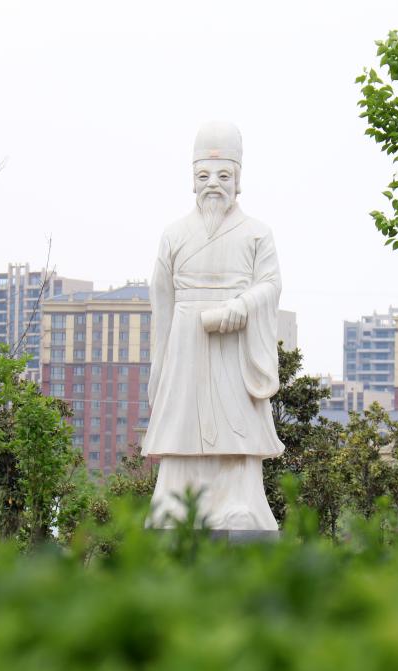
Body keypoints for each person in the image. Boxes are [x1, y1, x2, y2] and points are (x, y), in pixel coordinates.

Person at [142, 121, 283, 531]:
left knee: (236, 423)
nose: (213, 185)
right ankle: (174, 502)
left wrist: (243, 305)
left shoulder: (257, 234)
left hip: (234, 342)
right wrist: (161, 361)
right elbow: (161, 297)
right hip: (186, 341)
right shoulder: (174, 234)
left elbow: (271, 284)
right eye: (204, 176)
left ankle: (240, 501)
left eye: (223, 176)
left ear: (238, 180)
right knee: (182, 421)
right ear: (192, 181)